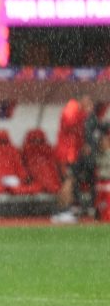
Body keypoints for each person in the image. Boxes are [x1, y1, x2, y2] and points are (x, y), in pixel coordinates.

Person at [53, 94, 95, 223]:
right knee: (68, 181)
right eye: (87, 101)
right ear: (81, 99)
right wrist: (83, 113)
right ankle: (62, 211)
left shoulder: (77, 111)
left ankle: (63, 210)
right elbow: (70, 125)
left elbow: (78, 133)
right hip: (66, 154)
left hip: (71, 153)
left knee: (69, 181)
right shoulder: (72, 108)